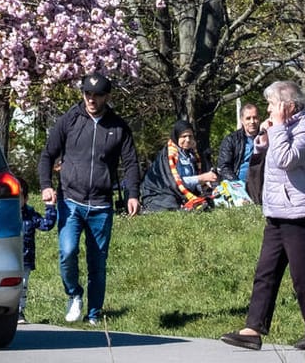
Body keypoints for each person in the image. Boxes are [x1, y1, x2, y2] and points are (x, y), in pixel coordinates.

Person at [220, 80, 305, 353]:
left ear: (287, 105)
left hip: (300, 213)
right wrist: (263, 142)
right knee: (265, 272)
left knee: (302, 275)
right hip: (277, 211)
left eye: (271, 104)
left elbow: (287, 159)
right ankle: (253, 329)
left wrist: (278, 127)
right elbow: (268, 159)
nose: (268, 110)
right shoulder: (282, 127)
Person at [37, 73, 141, 326]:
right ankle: (74, 295)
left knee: (98, 261)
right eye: (87, 94)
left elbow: (131, 163)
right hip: (70, 200)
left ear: (107, 97)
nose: (91, 99)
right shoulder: (69, 120)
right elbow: (47, 155)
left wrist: (133, 194)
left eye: (97, 95)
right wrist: (46, 186)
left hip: (101, 205)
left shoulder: (118, 127)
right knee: (67, 251)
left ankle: (94, 313)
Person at [141, 119, 219, 211]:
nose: (188, 140)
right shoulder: (169, 155)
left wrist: (205, 182)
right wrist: (202, 178)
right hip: (160, 193)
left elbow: (191, 180)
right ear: (176, 137)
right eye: (184, 136)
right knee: (171, 203)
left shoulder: (191, 153)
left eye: (190, 136)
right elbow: (176, 182)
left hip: (179, 192)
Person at [217, 102, 266, 204]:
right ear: (242, 120)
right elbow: (224, 167)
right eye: (248, 118)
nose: (252, 121)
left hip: (262, 183)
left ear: (259, 119)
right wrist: (238, 184)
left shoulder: (266, 138)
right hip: (238, 183)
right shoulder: (231, 140)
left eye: (255, 117)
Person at [19, 198, 57, 319]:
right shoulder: (2, 213)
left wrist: (50, 207)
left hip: (25, 258)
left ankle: (19, 312)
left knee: (23, 285)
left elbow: (46, 224)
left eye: (19, 197)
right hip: (6, 258)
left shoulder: (30, 214)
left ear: (25, 198)